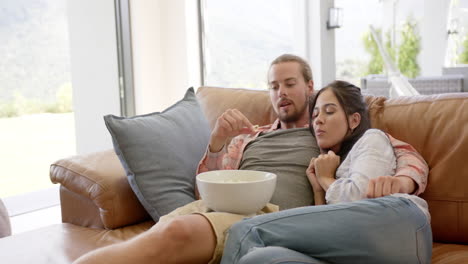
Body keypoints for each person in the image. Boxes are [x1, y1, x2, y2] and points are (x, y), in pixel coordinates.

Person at [73, 55, 428, 264]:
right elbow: (206, 191)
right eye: (273, 86)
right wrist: (215, 144)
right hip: (221, 211)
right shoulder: (247, 138)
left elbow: (402, 154)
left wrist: (405, 181)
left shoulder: (327, 132)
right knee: (166, 229)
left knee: (176, 233)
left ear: (309, 87)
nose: (281, 92)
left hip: (268, 219)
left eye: (290, 83)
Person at [220, 80, 432, 264]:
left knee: (245, 231)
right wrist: (318, 189)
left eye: (329, 111)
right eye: (315, 115)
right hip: (362, 250)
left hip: (401, 231)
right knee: (260, 259)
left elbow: (356, 199)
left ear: (354, 120)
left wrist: (326, 178)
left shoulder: (372, 139)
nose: (318, 120)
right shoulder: (332, 163)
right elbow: (333, 226)